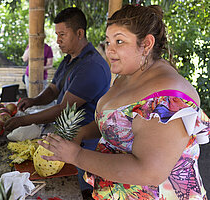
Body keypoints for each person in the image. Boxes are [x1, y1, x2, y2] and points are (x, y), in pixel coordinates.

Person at [38, 4, 210, 199]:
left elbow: (149, 171)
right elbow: (120, 122)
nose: (110, 50)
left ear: (146, 44)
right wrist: (83, 132)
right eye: (108, 41)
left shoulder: (168, 98)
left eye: (119, 41)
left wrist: (76, 156)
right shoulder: (129, 74)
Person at [5, 7, 111, 198]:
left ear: (79, 33)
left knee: (77, 191)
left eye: (62, 34)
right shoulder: (70, 59)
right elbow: (53, 89)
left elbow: (63, 109)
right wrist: (33, 101)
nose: (58, 40)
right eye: (57, 34)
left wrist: (24, 120)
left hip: (84, 145)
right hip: (67, 139)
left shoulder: (91, 66)